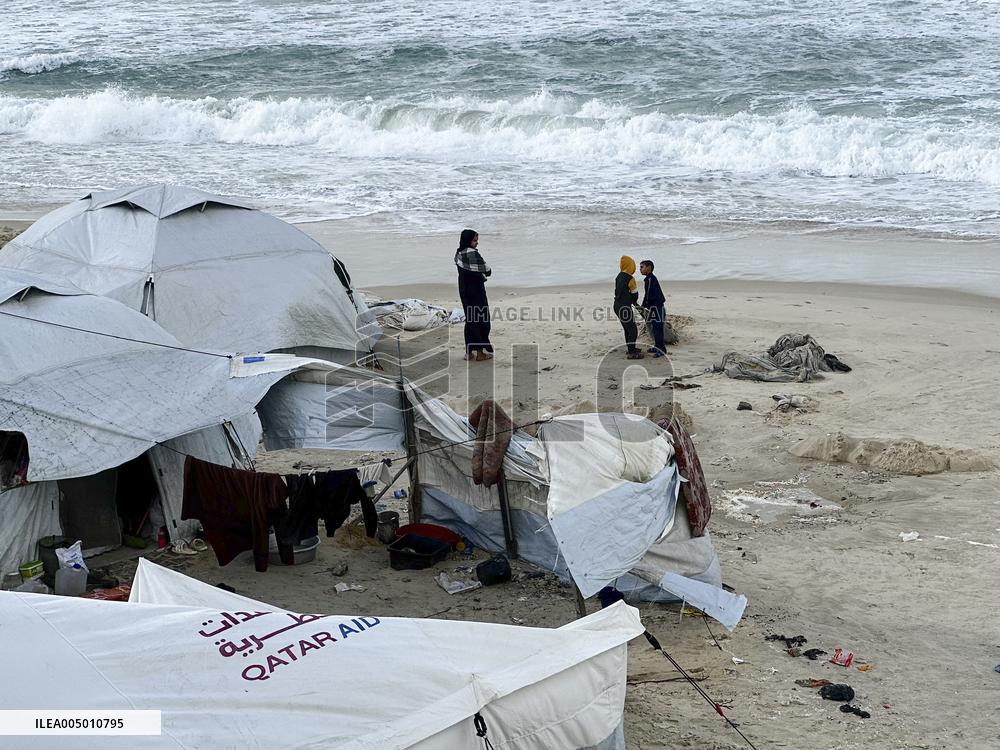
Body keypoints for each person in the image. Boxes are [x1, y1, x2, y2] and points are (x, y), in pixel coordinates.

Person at [455, 229, 493, 361]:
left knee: (470, 320)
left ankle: (468, 352)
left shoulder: (459, 253)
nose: (477, 243)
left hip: (464, 291)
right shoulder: (473, 255)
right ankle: (481, 353)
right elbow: (488, 270)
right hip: (476, 291)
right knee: (481, 320)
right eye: (475, 240)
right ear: (469, 241)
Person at [614, 255, 643, 359]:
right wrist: (634, 301)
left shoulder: (618, 276)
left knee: (627, 328)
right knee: (633, 330)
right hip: (624, 307)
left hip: (617, 305)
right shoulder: (630, 278)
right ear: (631, 266)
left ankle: (631, 348)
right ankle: (632, 352)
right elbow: (635, 294)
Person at [639, 259, 666, 357]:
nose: (640, 269)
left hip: (657, 307)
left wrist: (644, 305)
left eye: (642, 267)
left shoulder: (651, 279)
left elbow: (649, 294)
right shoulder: (648, 279)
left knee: (658, 329)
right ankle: (657, 346)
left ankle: (662, 350)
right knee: (655, 328)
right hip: (654, 307)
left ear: (649, 268)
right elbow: (647, 294)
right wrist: (643, 305)